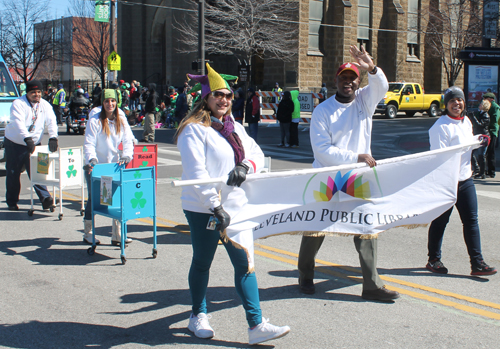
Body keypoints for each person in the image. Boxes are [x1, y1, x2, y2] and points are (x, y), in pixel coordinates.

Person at [174, 63, 290, 345]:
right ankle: (197, 315)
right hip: (204, 209)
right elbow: (196, 174)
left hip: (237, 207)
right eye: (217, 95)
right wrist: (215, 205)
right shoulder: (193, 131)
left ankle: (256, 325)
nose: (224, 100)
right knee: (203, 262)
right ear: (206, 98)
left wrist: (245, 167)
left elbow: (257, 154)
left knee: (245, 264)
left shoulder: (235, 126)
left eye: (227, 95)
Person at [298, 45, 400, 301]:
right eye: (344, 78)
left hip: (358, 178)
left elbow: (383, 87)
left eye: (353, 78)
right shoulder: (323, 111)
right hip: (328, 178)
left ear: (358, 81)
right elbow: (322, 151)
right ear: (336, 80)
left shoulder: (365, 101)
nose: (348, 82)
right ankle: (306, 275)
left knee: (367, 228)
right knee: (315, 228)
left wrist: (371, 66)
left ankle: (372, 286)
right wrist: (356, 157)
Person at [426, 86, 497, 276]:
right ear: (446, 105)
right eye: (452, 101)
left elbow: (466, 143)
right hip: (446, 183)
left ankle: (477, 263)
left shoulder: (466, 121)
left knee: (471, 221)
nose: (456, 104)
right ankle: (433, 259)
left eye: (459, 100)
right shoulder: (440, 127)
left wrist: (479, 140)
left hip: (465, 179)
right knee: (441, 222)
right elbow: (439, 158)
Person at [83, 89, 135, 245]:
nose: (110, 104)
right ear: (102, 103)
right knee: (95, 200)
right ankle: (88, 232)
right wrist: (91, 159)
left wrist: (126, 156)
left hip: (114, 166)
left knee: (116, 199)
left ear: (117, 102)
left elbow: (128, 140)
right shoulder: (95, 121)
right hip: (96, 166)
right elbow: (89, 143)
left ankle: (117, 234)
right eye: (106, 101)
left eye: (113, 101)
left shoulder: (121, 119)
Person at [4, 80, 58, 211]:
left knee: (39, 170)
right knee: (13, 172)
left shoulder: (45, 105)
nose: (36, 94)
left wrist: (53, 137)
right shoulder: (18, 104)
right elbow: (18, 123)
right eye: (33, 92)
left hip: (35, 142)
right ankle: (12, 201)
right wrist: (27, 138)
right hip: (15, 142)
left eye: (39, 92)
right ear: (27, 93)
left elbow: (52, 121)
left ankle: (45, 198)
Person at [470, 99, 490, 179]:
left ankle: (482, 173)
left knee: (481, 155)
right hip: (479, 136)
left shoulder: (485, 115)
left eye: (481, 104)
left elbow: (480, 125)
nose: (479, 105)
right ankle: (478, 169)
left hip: (484, 137)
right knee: (472, 153)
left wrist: (473, 117)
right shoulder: (481, 114)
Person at [482, 92, 500, 178]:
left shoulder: (495, 107)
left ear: (491, 99)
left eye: (486, 98)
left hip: (492, 131)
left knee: (491, 152)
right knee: (485, 152)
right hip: (486, 131)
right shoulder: (485, 106)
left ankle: (491, 172)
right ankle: (485, 170)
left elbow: (495, 119)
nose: (484, 99)